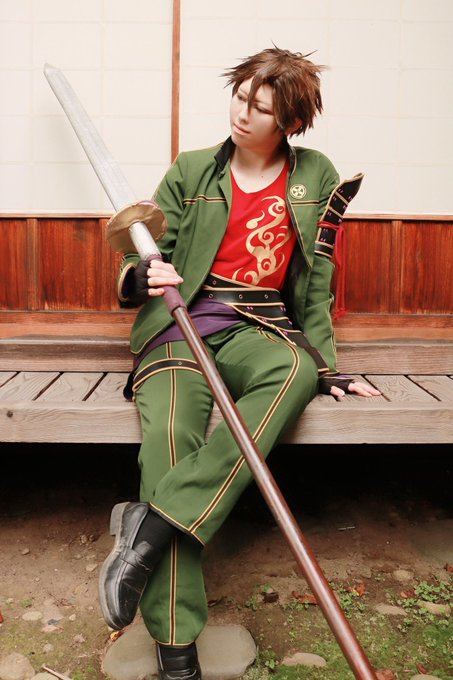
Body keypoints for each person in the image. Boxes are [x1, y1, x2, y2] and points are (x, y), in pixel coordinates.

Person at [99, 46, 381, 680]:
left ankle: (150, 529)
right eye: (240, 97)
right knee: (172, 439)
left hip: (260, 327)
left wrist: (326, 366)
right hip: (181, 325)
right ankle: (177, 652)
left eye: (262, 107)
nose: (243, 113)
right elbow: (143, 251)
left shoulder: (314, 175)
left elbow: (316, 281)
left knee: (295, 372)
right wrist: (142, 275)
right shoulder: (193, 168)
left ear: (292, 121)